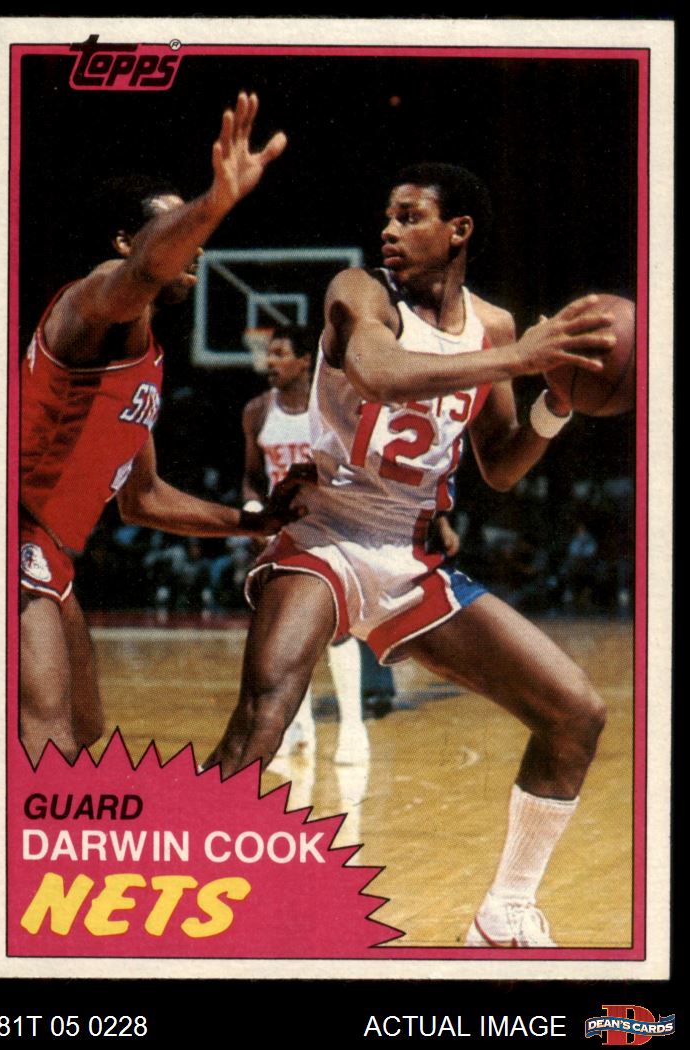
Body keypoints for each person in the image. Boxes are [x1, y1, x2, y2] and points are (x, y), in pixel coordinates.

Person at [202, 162, 617, 948]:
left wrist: (556, 404)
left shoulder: (494, 328)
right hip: (322, 535)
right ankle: (177, 887)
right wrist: (517, 361)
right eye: (388, 216)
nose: (389, 230)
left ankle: (503, 914)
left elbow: (501, 463)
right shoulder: (359, 291)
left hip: (409, 557)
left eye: (410, 216)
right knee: (264, 718)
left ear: (459, 231)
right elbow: (379, 373)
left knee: (575, 714)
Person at [20, 93, 290, 766]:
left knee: (83, 736)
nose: (195, 246)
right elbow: (145, 268)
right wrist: (215, 202)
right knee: (49, 747)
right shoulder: (93, 297)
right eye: (177, 229)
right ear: (123, 241)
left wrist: (252, 522)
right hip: (10, 533)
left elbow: (143, 499)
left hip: (50, 550)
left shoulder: (144, 358)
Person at [241, 323, 369, 764]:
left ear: (304, 361)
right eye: (269, 353)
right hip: (282, 533)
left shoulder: (329, 408)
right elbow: (251, 477)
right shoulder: (257, 411)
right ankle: (299, 728)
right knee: (285, 632)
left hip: (330, 527)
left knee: (337, 629)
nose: (270, 361)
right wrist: (254, 512)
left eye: (280, 353)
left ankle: (353, 727)